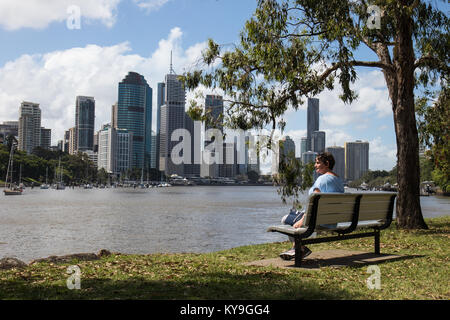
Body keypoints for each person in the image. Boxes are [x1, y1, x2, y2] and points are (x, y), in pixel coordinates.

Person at [279, 152, 345, 261]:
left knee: (285, 219)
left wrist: (303, 220)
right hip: (331, 220)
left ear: (327, 163)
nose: (315, 165)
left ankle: (298, 248)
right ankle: (298, 248)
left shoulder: (322, 179)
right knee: (293, 214)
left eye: (318, 162)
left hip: (317, 220)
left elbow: (315, 203)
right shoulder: (338, 180)